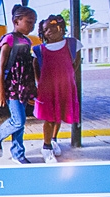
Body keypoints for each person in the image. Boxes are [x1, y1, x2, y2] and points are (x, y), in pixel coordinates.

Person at [0, 4, 38, 164]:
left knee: (20, 122)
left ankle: (18, 154)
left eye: (34, 22)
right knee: (19, 120)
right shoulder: (9, 39)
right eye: (29, 21)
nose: (32, 25)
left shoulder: (27, 41)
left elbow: (28, 67)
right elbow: (1, 67)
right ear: (16, 21)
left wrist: (33, 90)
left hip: (24, 88)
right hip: (12, 88)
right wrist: (0, 91)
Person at [32, 14, 82, 163]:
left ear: (62, 27)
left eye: (53, 26)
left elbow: (76, 62)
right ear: (42, 33)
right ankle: (46, 147)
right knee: (49, 118)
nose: (50, 31)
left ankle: (53, 139)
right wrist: (39, 83)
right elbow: (35, 67)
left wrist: (68, 76)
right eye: (46, 29)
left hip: (65, 86)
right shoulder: (39, 49)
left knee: (58, 114)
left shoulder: (73, 44)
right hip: (47, 89)